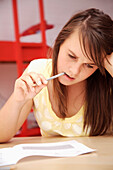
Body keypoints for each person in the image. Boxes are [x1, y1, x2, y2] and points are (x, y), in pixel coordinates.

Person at [0, 8, 113, 143]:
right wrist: (18, 101)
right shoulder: (38, 70)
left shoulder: (107, 79)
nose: (75, 71)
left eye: (89, 65)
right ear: (59, 43)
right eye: (72, 56)